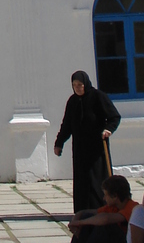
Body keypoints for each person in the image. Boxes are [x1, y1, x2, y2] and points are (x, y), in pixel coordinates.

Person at [54, 69, 122, 211]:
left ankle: (102, 207)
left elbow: (114, 116)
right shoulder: (72, 102)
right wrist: (59, 143)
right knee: (82, 180)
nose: (77, 88)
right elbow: (67, 125)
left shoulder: (98, 97)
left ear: (86, 83)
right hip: (80, 148)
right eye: (74, 85)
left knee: (97, 179)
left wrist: (109, 129)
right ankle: (83, 208)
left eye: (80, 84)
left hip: (97, 148)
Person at [68, 174, 138, 242]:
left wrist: (80, 223)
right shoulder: (113, 207)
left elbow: (105, 219)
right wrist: (75, 221)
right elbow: (84, 212)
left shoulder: (133, 208)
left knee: (105, 226)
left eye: (105, 195)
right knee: (86, 217)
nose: (104, 198)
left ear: (115, 196)